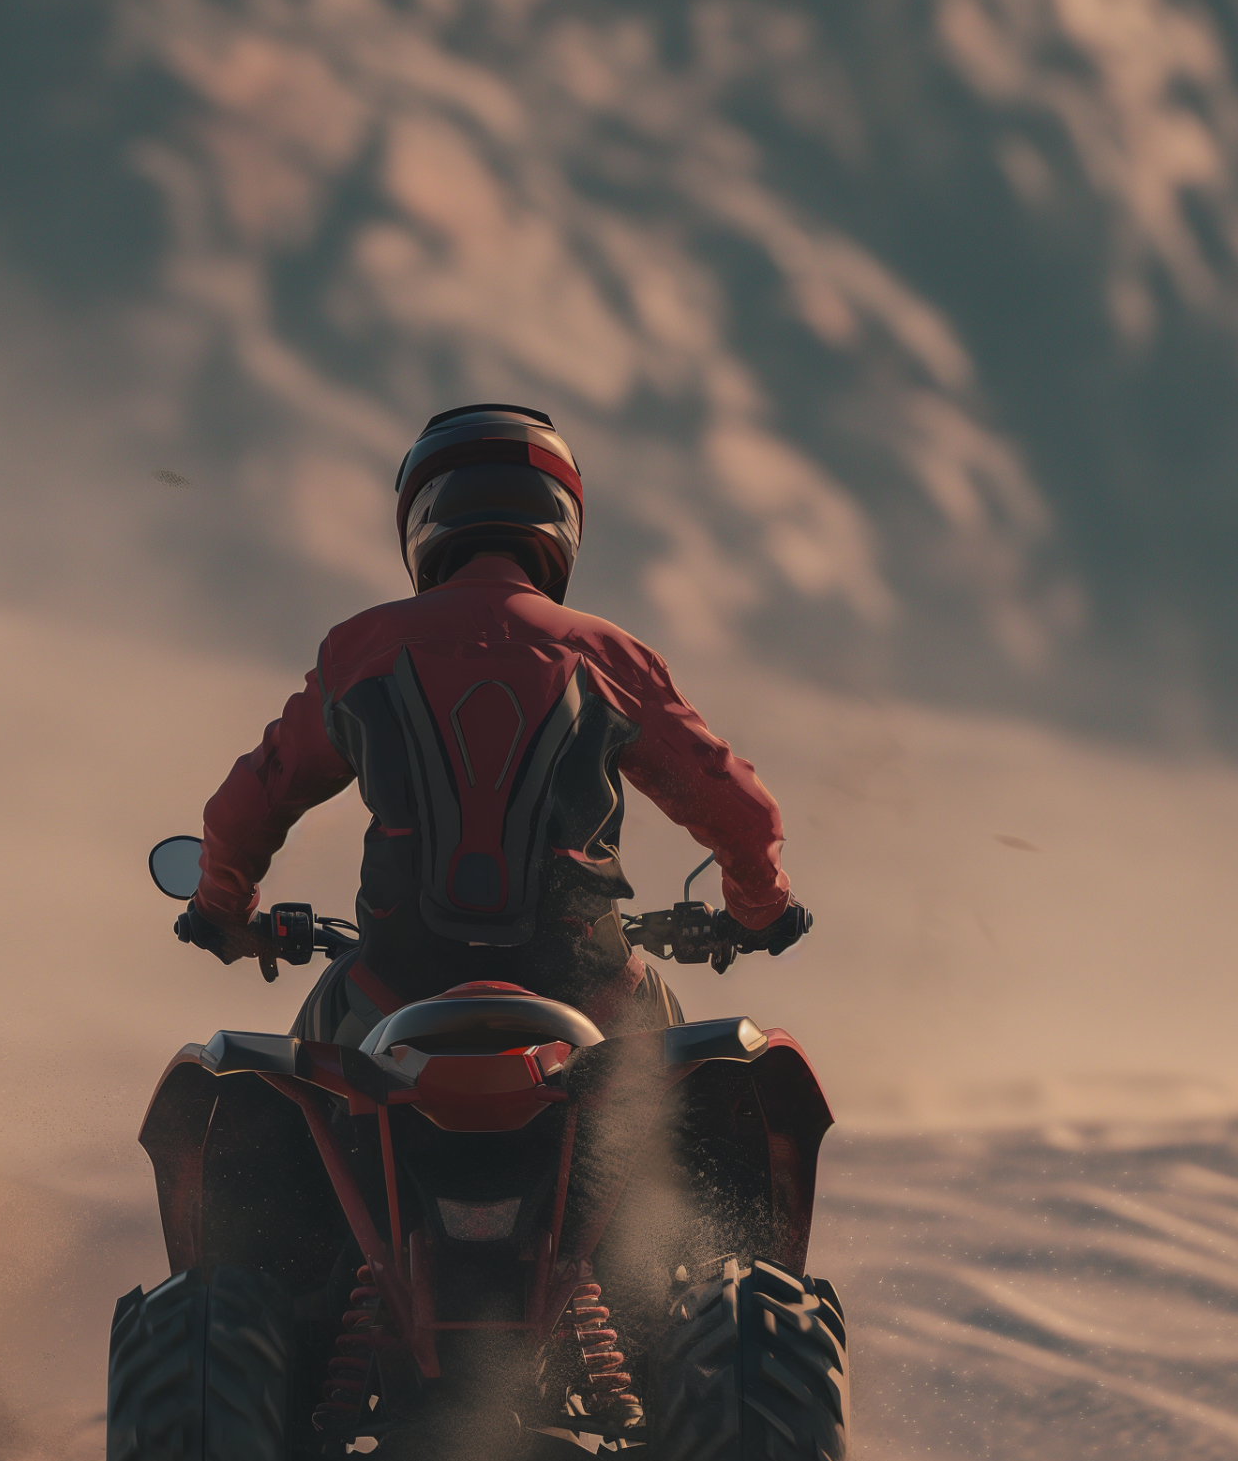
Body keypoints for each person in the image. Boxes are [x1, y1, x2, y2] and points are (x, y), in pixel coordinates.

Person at [173, 404, 810, 1043]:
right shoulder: (612, 657)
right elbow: (746, 817)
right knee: (688, 1090)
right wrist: (758, 912)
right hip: (588, 986)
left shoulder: (360, 649)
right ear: (562, 519)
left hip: (394, 984)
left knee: (297, 1085)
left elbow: (247, 806)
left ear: (423, 517)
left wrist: (222, 909)